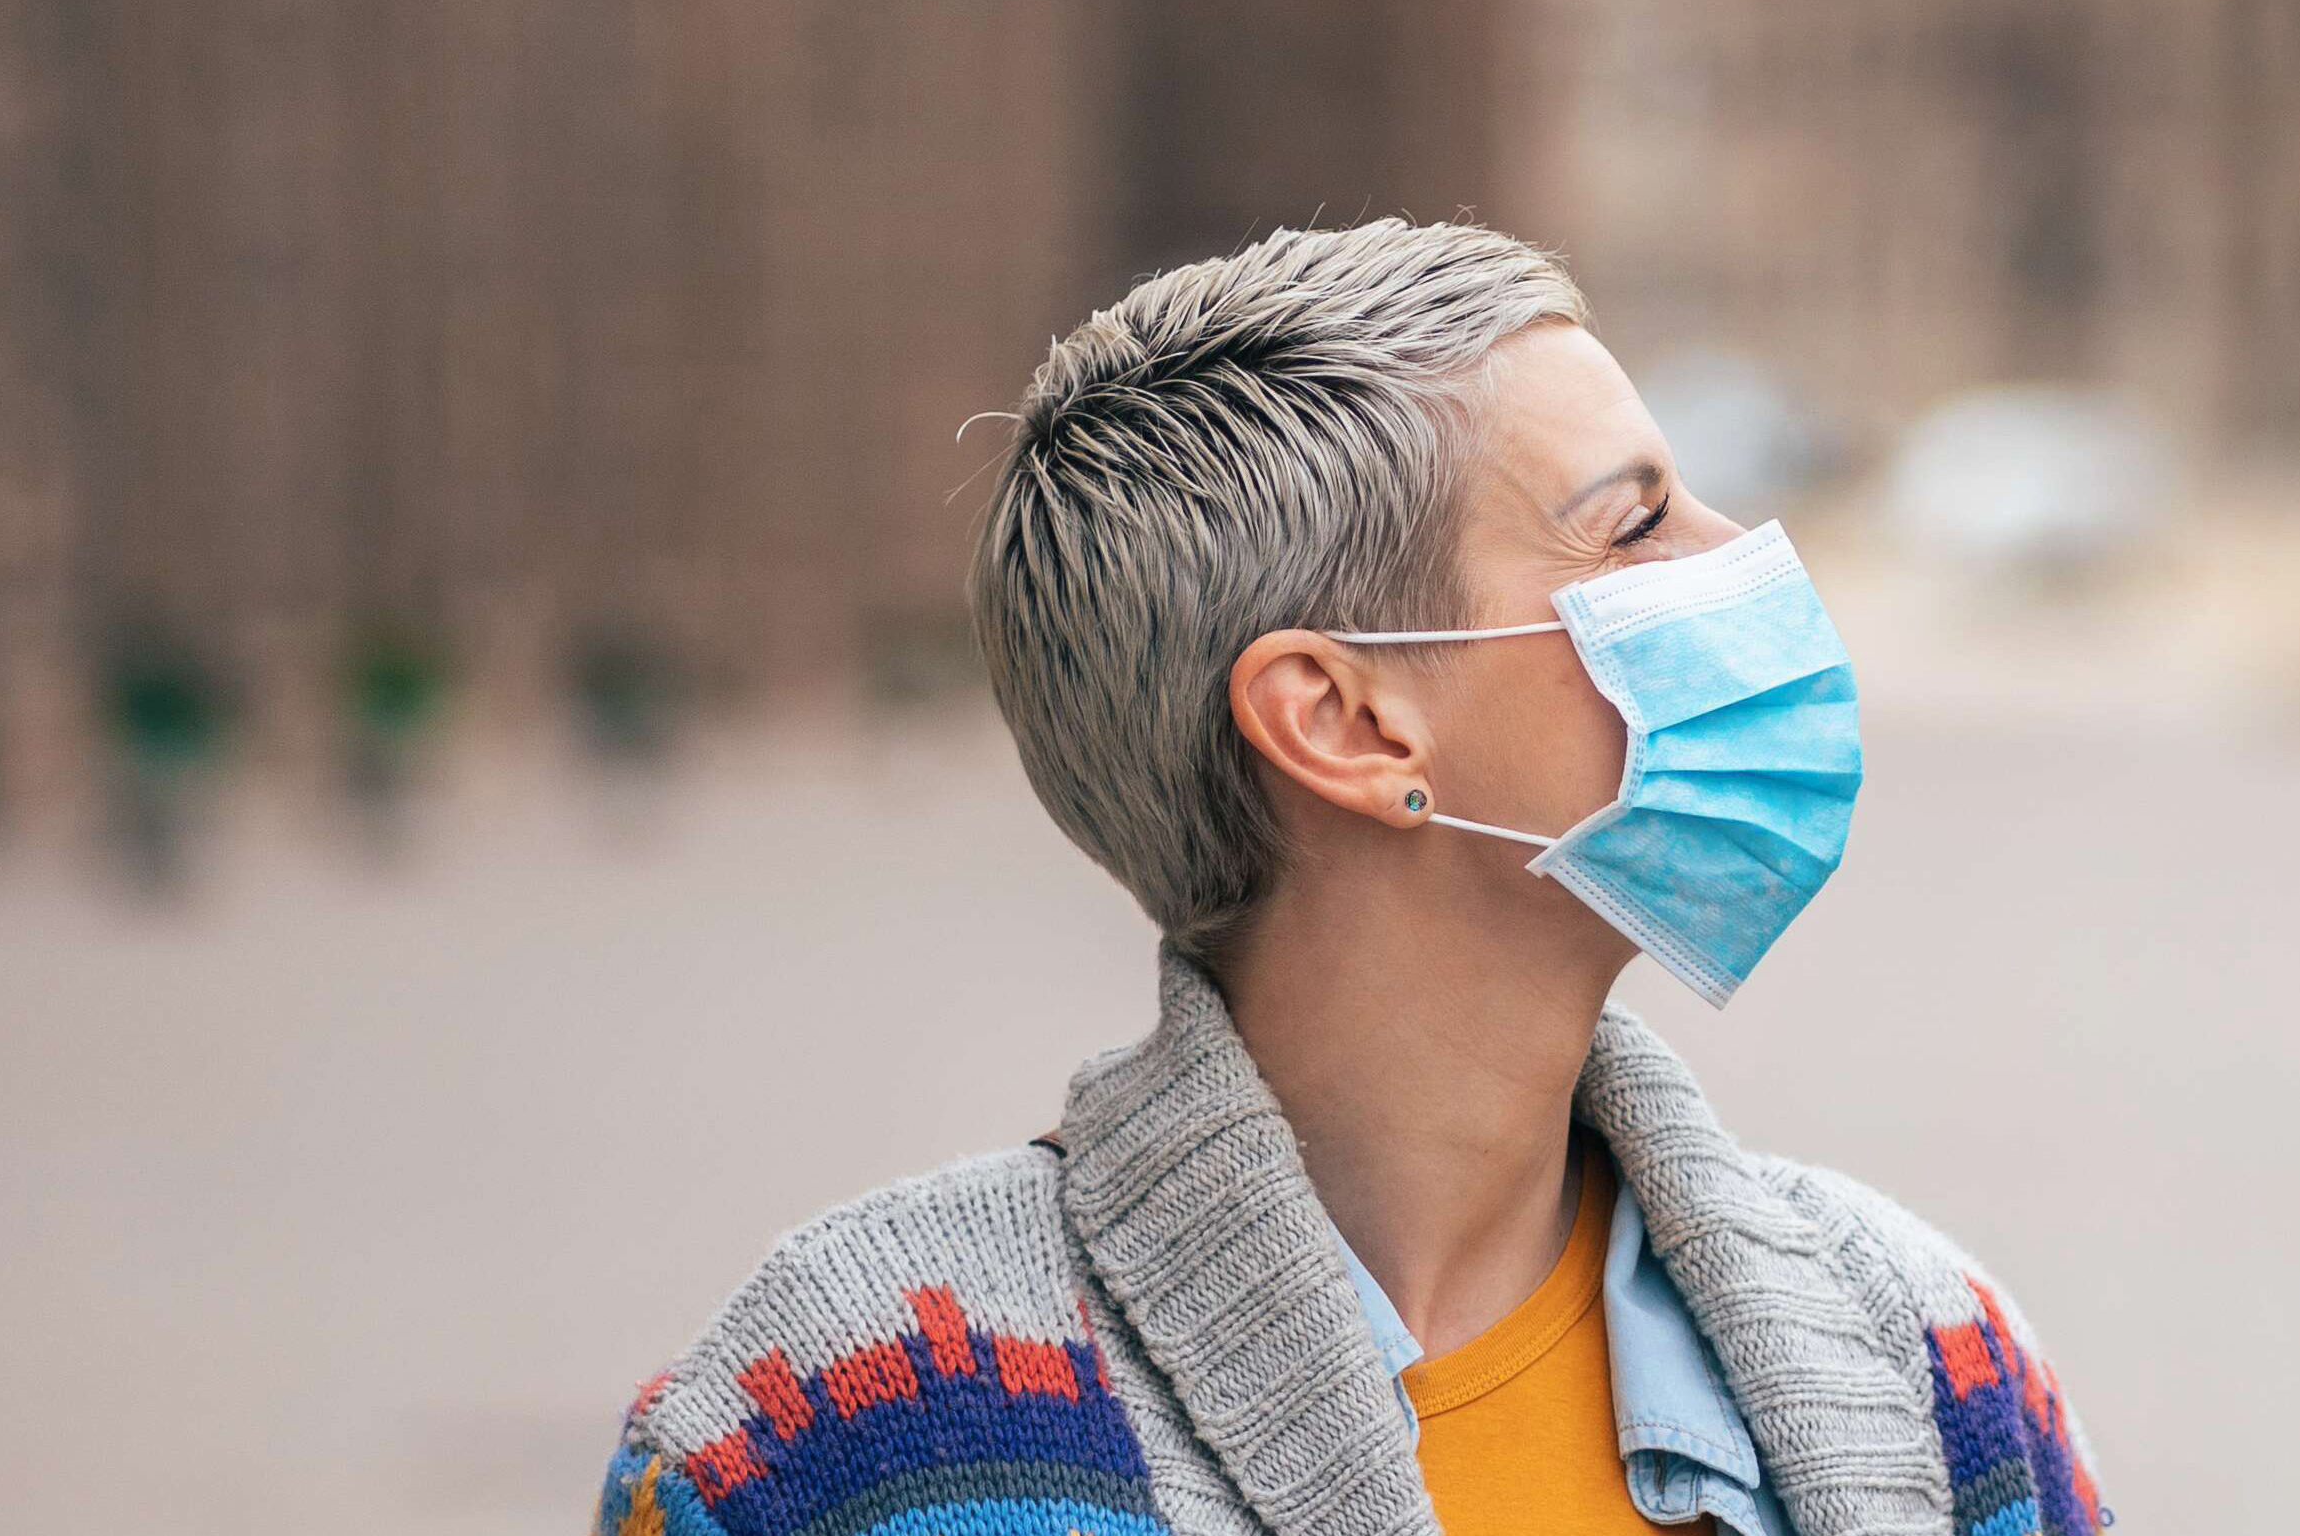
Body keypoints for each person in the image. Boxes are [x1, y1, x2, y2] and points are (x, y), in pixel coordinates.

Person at [589, 221, 2107, 1536]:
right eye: (1637, 525)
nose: (1745, 563)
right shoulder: (836, 1425)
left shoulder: (1930, 1361)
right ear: (1345, 721)